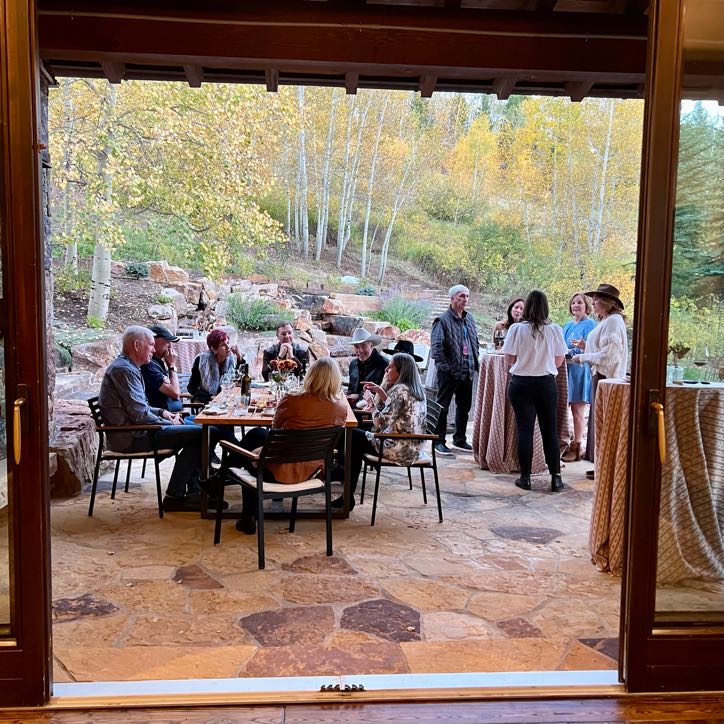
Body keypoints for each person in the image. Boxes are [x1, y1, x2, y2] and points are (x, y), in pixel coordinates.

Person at [98, 325, 217, 512]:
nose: (154, 350)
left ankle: (193, 492)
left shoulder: (129, 366)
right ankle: (179, 495)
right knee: (205, 432)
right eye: (151, 345)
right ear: (137, 345)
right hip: (131, 437)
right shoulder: (124, 370)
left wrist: (162, 413)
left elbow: (140, 407)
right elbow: (139, 414)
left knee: (203, 426)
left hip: (139, 429)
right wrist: (168, 422)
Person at [231, 357, 348, 534]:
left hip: (277, 472)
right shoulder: (340, 409)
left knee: (253, 452)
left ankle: (247, 514)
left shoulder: (293, 400)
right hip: (313, 472)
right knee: (256, 435)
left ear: (311, 376)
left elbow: (275, 429)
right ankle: (219, 484)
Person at [333, 352, 426, 510]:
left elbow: (380, 422)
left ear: (401, 371)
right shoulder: (416, 389)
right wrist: (380, 396)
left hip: (397, 448)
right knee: (353, 439)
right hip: (414, 447)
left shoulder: (400, 390)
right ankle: (345, 492)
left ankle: (337, 475)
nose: (386, 369)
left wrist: (371, 404)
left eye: (390, 367)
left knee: (348, 434)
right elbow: (396, 412)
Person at [502, 289, 568, 493]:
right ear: (546, 307)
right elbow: (559, 361)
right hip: (545, 384)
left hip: (521, 383)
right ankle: (556, 479)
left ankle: (525, 477)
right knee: (549, 431)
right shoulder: (555, 329)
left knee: (525, 430)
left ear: (527, 307)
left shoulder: (516, 330)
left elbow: (509, 359)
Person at [569, 283, 628, 476]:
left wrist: (583, 357)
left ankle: (606, 468)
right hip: (601, 376)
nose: (593, 303)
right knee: (600, 423)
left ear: (605, 302)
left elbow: (608, 356)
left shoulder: (613, 322)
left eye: (595, 300)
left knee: (605, 423)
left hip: (606, 377)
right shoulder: (608, 321)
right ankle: (602, 466)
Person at [430, 284, 480, 456]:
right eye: (461, 296)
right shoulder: (442, 320)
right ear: (452, 299)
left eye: (466, 296)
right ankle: (438, 441)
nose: (465, 299)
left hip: (467, 369)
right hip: (449, 372)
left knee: (464, 406)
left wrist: (474, 363)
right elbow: (436, 348)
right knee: (442, 407)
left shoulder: (470, 319)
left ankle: (459, 439)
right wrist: (447, 368)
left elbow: (475, 343)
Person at [561, 292, 597, 462]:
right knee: (564, 408)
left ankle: (577, 446)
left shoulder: (590, 324)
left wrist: (583, 346)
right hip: (565, 370)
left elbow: (594, 348)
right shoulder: (567, 325)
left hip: (580, 370)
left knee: (577, 409)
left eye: (580, 303)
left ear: (586, 306)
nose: (576, 305)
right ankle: (564, 442)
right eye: (574, 302)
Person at [188, 328, 245, 405]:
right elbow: (192, 388)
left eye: (228, 343)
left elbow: (241, 379)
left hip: (227, 400)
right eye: (223, 345)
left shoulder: (230, 358)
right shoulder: (202, 360)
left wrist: (239, 358)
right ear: (214, 349)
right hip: (207, 403)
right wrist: (210, 398)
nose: (228, 347)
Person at [141, 324, 184, 413]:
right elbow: (175, 393)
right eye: (167, 341)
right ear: (153, 340)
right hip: (163, 418)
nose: (170, 346)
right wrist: (172, 366)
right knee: (211, 427)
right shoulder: (147, 365)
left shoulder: (157, 361)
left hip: (173, 415)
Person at [346, 328, 388, 407]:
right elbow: (351, 389)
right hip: (354, 411)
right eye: (356, 346)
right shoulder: (353, 364)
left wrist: (358, 397)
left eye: (364, 345)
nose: (360, 350)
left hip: (374, 411)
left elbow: (386, 393)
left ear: (371, 344)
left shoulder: (384, 364)